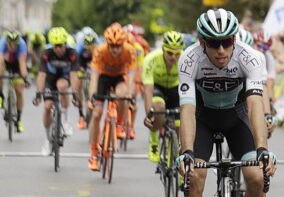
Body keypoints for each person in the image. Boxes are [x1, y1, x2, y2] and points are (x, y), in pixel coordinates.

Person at [176, 9, 276, 197]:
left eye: (227, 42)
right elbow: (188, 108)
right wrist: (186, 151)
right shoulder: (189, 59)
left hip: (237, 117)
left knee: (257, 178)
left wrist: (262, 148)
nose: (221, 50)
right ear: (201, 42)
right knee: (193, 179)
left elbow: (256, 105)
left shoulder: (250, 57)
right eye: (213, 43)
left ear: (234, 40)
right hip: (204, 119)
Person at [86, 23, 137, 171]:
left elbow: (132, 76)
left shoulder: (129, 51)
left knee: (122, 95)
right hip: (103, 78)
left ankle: (120, 124)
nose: (115, 49)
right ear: (107, 44)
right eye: (112, 45)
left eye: (118, 45)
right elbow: (94, 77)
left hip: (119, 78)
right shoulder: (100, 51)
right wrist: (92, 97)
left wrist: (131, 94)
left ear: (123, 44)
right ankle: (94, 153)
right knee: (96, 114)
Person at [32, 27, 81, 154]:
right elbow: (41, 75)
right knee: (47, 107)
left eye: (60, 45)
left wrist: (75, 94)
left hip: (64, 78)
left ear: (65, 44)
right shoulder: (46, 54)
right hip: (50, 79)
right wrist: (38, 93)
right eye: (55, 46)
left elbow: (74, 75)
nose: (58, 49)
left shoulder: (72, 53)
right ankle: (47, 139)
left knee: (62, 86)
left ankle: (66, 121)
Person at [142, 31, 185, 162]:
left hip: (174, 89)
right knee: (158, 108)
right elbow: (148, 91)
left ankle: (180, 161)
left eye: (177, 53)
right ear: (163, 50)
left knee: (181, 125)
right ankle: (154, 141)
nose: (173, 57)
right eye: (170, 53)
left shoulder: (185, 60)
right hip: (157, 87)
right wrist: (150, 114)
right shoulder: (151, 59)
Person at [0, 30, 31, 133]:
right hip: (5, 62)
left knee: (19, 89)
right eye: (10, 44)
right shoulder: (2, 43)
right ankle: (1, 96)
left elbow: (22, 64)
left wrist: (25, 78)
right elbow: (0, 61)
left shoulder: (22, 45)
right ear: (7, 42)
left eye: (15, 45)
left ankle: (18, 120)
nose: (13, 47)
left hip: (17, 64)